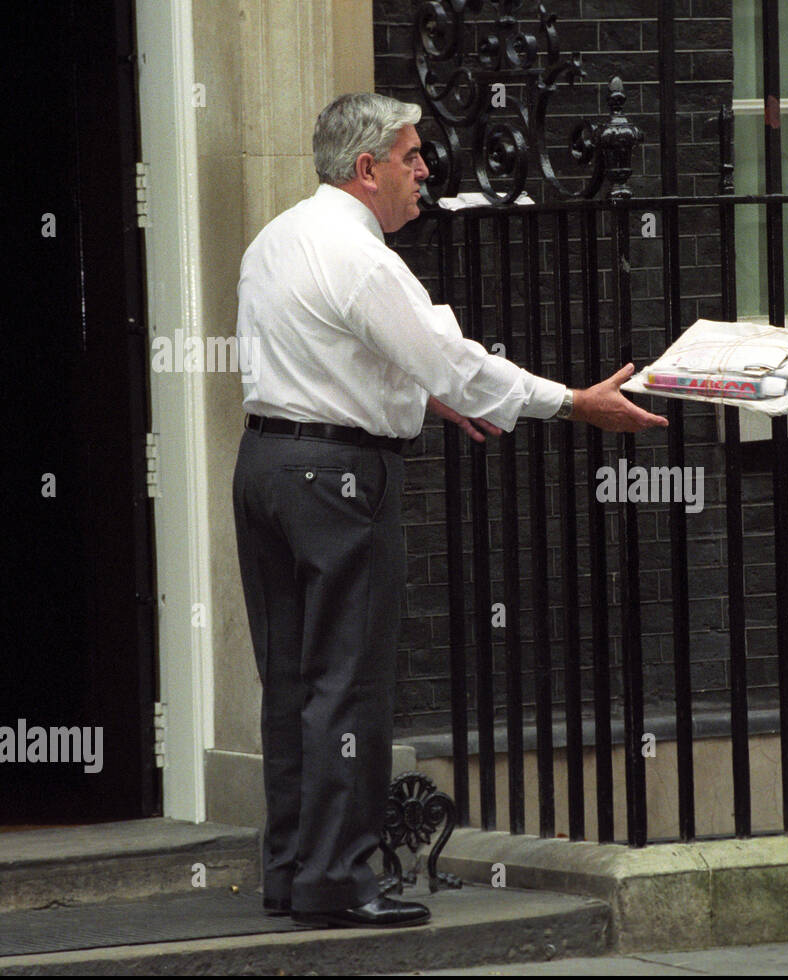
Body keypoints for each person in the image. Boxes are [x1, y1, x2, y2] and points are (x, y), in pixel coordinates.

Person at [232, 92, 666, 929]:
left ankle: (291, 868)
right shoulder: (363, 258)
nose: (426, 170)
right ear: (367, 170)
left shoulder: (276, 238)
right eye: (411, 156)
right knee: (347, 684)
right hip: (341, 479)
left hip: (268, 466)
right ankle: (338, 879)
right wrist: (574, 402)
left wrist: (422, 397)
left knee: (290, 680)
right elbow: (452, 363)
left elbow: (327, 352)